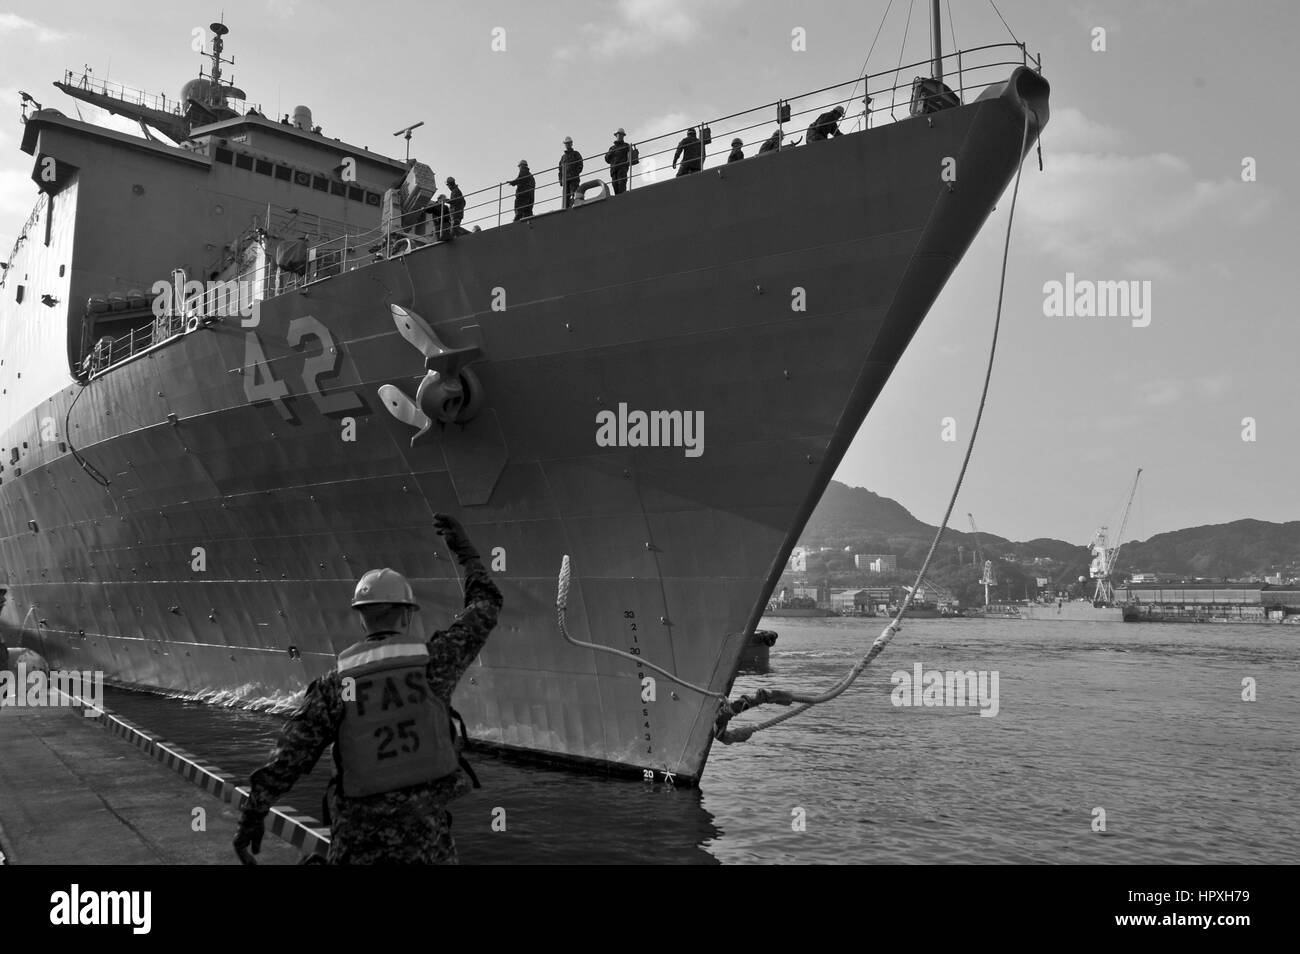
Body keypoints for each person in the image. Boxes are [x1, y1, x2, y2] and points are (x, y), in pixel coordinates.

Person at [233, 513, 503, 865]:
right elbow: (486, 606)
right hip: (428, 845)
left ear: (361, 617)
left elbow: (289, 758)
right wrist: (467, 555)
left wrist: (252, 814)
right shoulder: (434, 666)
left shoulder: (339, 685)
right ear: (407, 615)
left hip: (358, 846)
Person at [605, 128, 633, 195]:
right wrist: (610, 153)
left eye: (621, 135)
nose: (620, 136)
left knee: (621, 184)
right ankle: (618, 198)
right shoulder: (612, 148)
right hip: (614, 170)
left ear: (623, 136)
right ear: (616, 135)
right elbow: (607, 159)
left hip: (622, 169)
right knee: (615, 185)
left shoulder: (626, 146)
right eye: (618, 134)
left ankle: (622, 198)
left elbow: (631, 157)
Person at [558, 136, 583, 208]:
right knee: (565, 199)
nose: (567, 145)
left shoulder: (576, 154)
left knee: (574, 195)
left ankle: (575, 208)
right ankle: (566, 210)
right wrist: (561, 180)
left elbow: (580, 165)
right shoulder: (563, 157)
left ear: (571, 144)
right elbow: (560, 170)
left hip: (574, 180)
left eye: (568, 143)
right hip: (566, 181)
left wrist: (574, 174)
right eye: (566, 143)